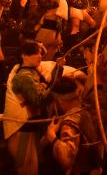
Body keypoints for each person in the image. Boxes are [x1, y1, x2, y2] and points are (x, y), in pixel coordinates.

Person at [3, 41, 64, 175]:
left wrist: (58, 71)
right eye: (36, 53)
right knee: (27, 169)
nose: (40, 56)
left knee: (32, 167)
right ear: (24, 55)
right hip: (21, 130)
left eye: (40, 53)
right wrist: (58, 72)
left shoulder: (32, 72)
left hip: (29, 129)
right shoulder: (23, 77)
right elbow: (39, 99)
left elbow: (46, 86)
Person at [41, 76, 102, 175]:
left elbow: (67, 158)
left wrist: (51, 135)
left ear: (60, 101)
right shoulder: (84, 112)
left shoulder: (70, 121)